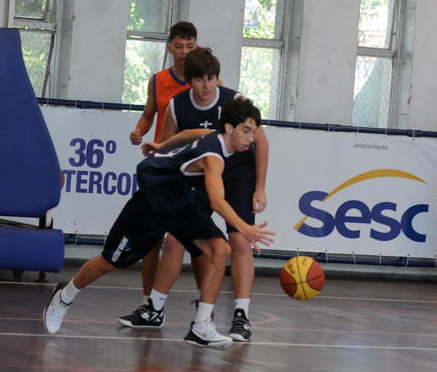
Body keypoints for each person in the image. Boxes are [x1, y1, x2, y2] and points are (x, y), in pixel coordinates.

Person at [43, 98, 274, 349]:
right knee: (109, 262)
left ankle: (201, 326)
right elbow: (216, 201)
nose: (251, 138)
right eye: (246, 131)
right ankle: (64, 296)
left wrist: (162, 145)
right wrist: (245, 227)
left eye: (254, 132)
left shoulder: (215, 137)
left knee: (221, 249)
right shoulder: (214, 157)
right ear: (229, 128)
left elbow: (187, 133)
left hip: (181, 204)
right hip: (151, 206)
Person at [117, 47, 268, 342]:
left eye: (211, 78)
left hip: (238, 176)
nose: (206, 85)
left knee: (239, 240)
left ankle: (241, 316)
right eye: (200, 79)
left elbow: (261, 142)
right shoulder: (177, 105)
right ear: (190, 80)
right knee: (175, 239)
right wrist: (160, 152)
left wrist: (260, 186)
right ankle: (154, 309)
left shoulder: (235, 101)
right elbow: (177, 143)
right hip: (201, 177)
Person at [128, 21, 196, 304]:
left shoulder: (205, 81)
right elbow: (149, 114)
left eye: (189, 46)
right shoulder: (157, 80)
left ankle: (205, 303)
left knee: (194, 238)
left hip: (193, 167)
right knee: (151, 236)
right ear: (169, 48)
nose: (184, 52)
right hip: (163, 166)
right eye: (179, 46)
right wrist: (139, 131)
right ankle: (148, 300)